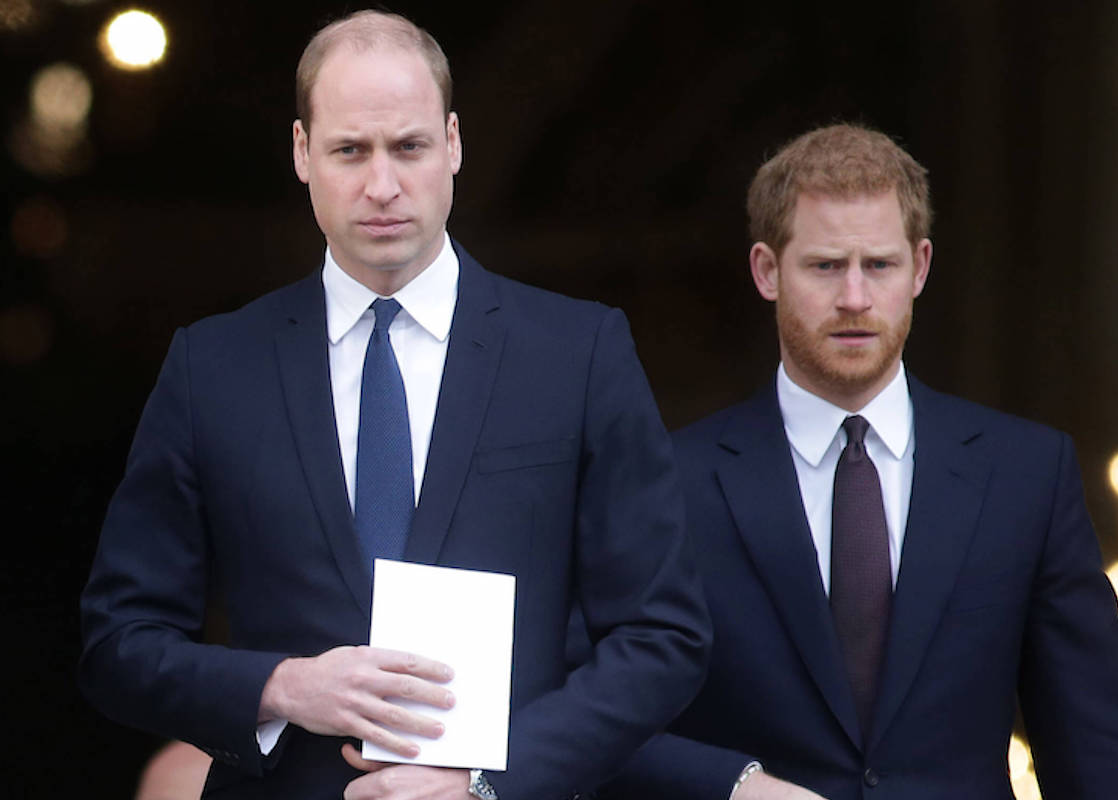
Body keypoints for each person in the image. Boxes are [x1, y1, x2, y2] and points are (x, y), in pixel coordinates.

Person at [79, 11, 710, 800]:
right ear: (303, 152)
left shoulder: (578, 353)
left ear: (452, 143)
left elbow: (663, 636)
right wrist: (282, 687)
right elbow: (117, 644)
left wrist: (487, 782)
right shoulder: (212, 366)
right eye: (350, 150)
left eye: (407, 147)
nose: (382, 184)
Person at [601, 124, 1118, 800]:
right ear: (767, 271)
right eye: (826, 266)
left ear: (919, 267)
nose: (855, 297)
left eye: (879, 266)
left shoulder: (1026, 474)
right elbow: (596, 724)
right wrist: (736, 786)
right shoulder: (671, 481)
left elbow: (1093, 746)